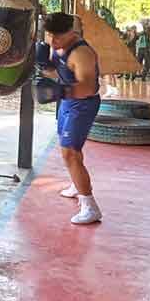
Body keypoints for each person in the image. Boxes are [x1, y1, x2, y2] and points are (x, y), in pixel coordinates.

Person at [38, 12, 102, 225]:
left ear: (71, 33)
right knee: (69, 149)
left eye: (58, 37)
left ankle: (90, 206)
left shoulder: (82, 53)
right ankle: (78, 183)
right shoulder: (57, 46)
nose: (53, 41)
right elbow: (61, 73)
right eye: (50, 36)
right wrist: (45, 68)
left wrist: (59, 92)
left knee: (70, 153)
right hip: (67, 103)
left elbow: (88, 86)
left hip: (82, 104)